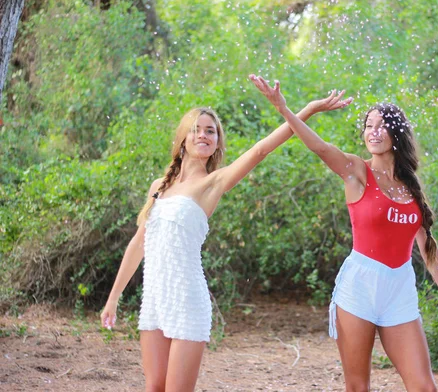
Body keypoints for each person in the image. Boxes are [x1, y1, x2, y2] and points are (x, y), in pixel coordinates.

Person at [100, 89, 352, 392]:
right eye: (197, 129)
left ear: (217, 142)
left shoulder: (213, 183)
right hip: (155, 299)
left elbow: (260, 150)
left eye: (212, 131)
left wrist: (305, 110)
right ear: (183, 138)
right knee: (154, 387)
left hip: (188, 301)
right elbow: (139, 243)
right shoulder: (159, 186)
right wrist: (113, 297)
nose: (204, 135)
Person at [250, 74, 438, 392]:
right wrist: (286, 109)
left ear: (397, 133)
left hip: (400, 290)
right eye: (368, 125)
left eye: (382, 125)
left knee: (424, 386)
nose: (373, 131)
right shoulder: (357, 171)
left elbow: (426, 245)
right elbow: (320, 148)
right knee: (358, 386)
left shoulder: (411, 186)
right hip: (359, 287)